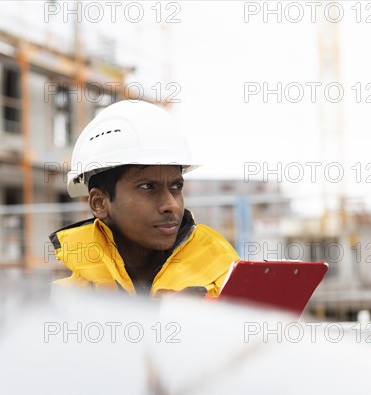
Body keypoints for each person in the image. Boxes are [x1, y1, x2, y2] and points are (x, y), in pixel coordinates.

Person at [49, 100, 240, 298]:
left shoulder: (225, 282)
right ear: (99, 203)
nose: (172, 205)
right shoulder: (67, 300)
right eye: (148, 187)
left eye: (176, 186)